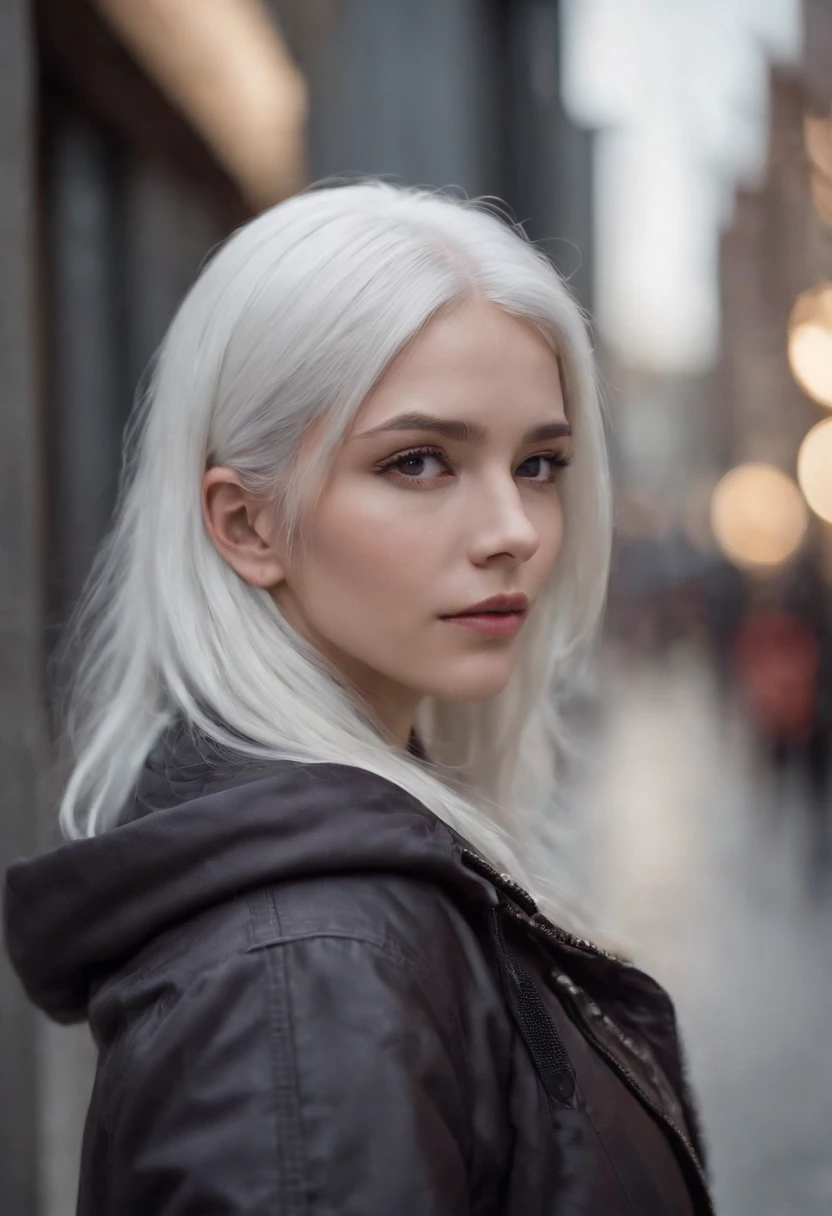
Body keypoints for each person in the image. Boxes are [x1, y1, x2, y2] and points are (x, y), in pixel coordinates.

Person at [4, 181, 713, 1215]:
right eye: (420, 460)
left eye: (540, 463)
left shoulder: (347, 912)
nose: (512, 528)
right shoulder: (304, 982)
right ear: (247, 526)